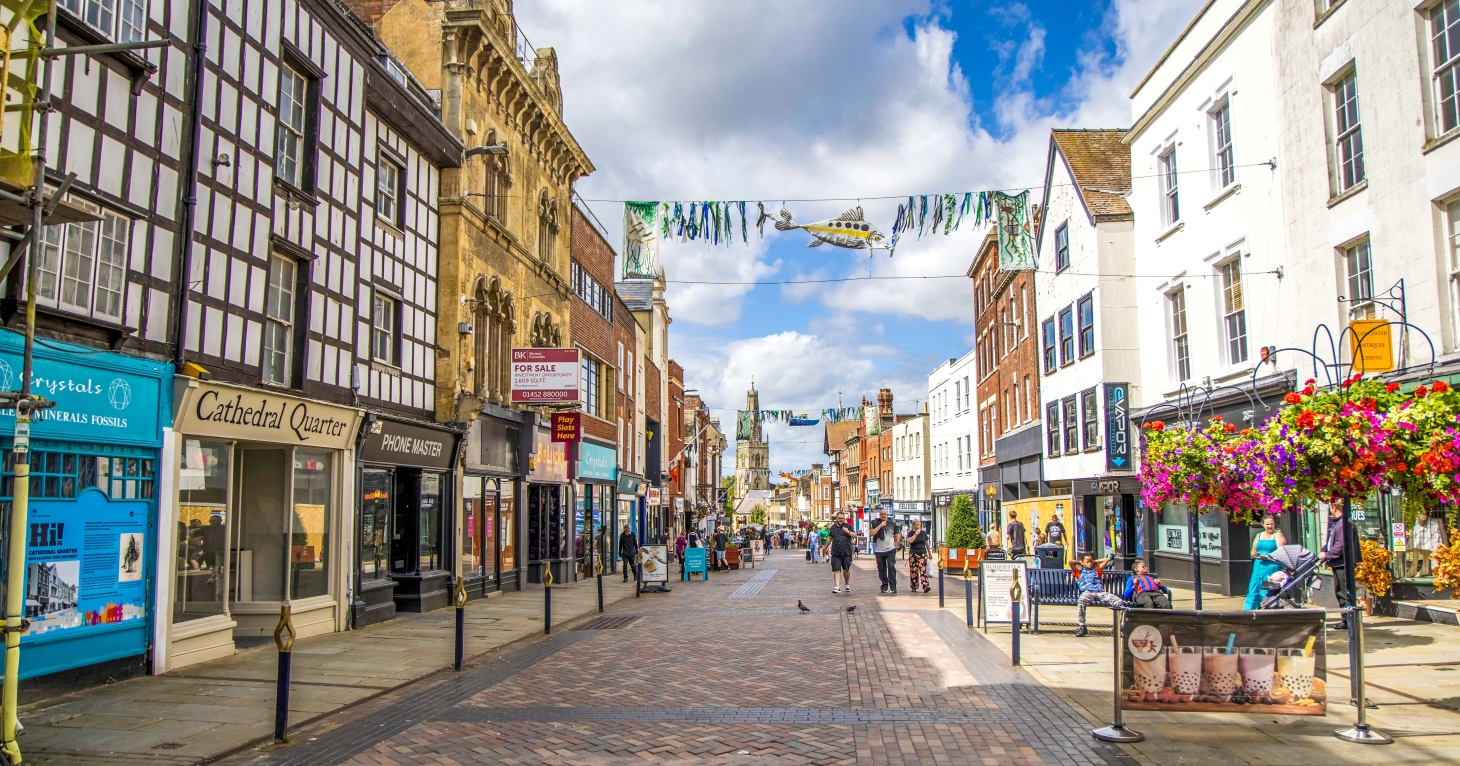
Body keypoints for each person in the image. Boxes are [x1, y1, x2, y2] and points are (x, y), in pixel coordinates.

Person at [1072, 554, 1124, 637]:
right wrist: (1081, 562)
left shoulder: (1097, 570)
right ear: (1082, 563)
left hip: (1100, 592)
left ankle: (1117, 627)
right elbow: (1071, 562)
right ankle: (1082, 626)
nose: (1090, 564)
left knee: (1119, 602)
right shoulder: (1078, 572)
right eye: (1087, 562)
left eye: (1091, 562)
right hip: (1088, 592)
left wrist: (1093, 561)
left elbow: (1106, 560)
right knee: (1081, 601)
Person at [1245, 514, 1287, 609]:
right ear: (1263, 525)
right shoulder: (1258, 536)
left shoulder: (1278, 535)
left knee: (1268, 588)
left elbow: (1281, 553)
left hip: (1272, 567)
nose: (1270, 526)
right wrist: (1255, 554)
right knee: (1255, 587)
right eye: (1267, 524)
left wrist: (1267, 557)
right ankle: (1252, 609)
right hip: (1258, 567)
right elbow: (1252, 551)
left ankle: (1267, 606)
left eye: (1271, 524)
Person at [1322, 504, 1353, 629]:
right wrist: (1324, 550)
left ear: (1334, 508)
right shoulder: (1339, 523)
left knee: (1343, 592)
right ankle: (1347, 619)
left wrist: (1327, 554)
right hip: (1338, 563)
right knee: (1340, 591)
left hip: (1342, 563)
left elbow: (1340, 546)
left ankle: (1347, 620)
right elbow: (1332, 542)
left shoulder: (1343, 524)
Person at [870, 508, 900, 594]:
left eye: (885, 514)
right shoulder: (875, 523)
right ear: (879, 515)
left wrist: (897, 544)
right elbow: (872, 533)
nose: (883, 515)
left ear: (887, 515)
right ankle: (884, 585)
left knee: (891, 566)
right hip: (879, 550)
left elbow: (897, 534)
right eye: (882, 514)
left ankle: (893, 587)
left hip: (890, 549)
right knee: (881, 568)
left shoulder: (892, 524)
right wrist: (880, 526)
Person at [828, 512, 855, 593]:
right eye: (839, 518)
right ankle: (837, 586)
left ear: (844, 519)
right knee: (836, 569)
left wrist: (848, 532)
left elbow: (855, 535)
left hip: (846, 552)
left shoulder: (848, 526)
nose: (840, 520)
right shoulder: (833, 527)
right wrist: (825, 547)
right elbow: (830, 538)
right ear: (836, 518)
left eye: (842, 518)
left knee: (846, 570)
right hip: (836, 552)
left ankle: (847, 584)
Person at [905, 520, 930, 593]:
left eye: (918, 525)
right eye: (916, 525)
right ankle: (914, 586)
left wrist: (929, 553)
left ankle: (925, 586)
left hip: (922, 553)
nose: (917, 526)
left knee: (923, 570)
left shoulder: (923, 533)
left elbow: (926, 543)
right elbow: (910, 541)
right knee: (913, 570)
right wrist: (916, 534)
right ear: (913, 526)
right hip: (913, 553)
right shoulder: (910, 533)